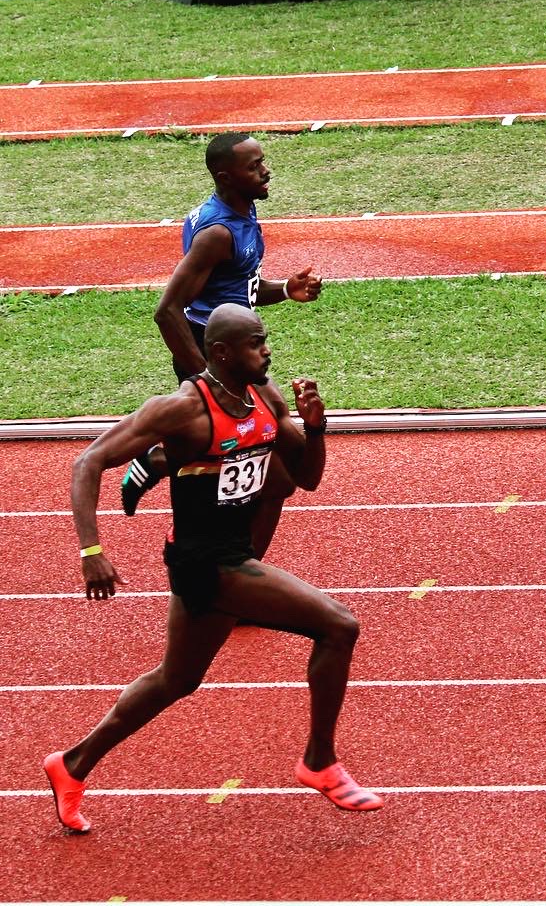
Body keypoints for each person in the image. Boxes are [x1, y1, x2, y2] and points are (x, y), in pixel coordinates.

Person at [43, 305, 380, 833]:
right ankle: (319, 761)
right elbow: (87, 462)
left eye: (266, 340)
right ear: (221, 352)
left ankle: (71, 764)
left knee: (175, 680)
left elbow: (307, 479)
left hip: (228, 554)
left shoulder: (264, 398)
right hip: (206, 562)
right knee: (339, 625)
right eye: (255, 343)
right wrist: (91, 552)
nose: (266, 350)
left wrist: (315, 430)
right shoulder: (179, 409)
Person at [121, 132, 321, 563]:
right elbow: (168, 310)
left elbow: (236, 289)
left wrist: (286, 289)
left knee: (272, 480)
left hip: (230, 355)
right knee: (259, 477)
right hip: (213, 358)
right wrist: (206, 383)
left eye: (263, 162)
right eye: (254, 167)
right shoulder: (217, 231)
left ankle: (241, 573)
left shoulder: (240, 211)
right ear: (226, 177)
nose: (266, 171)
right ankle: (164, 462)